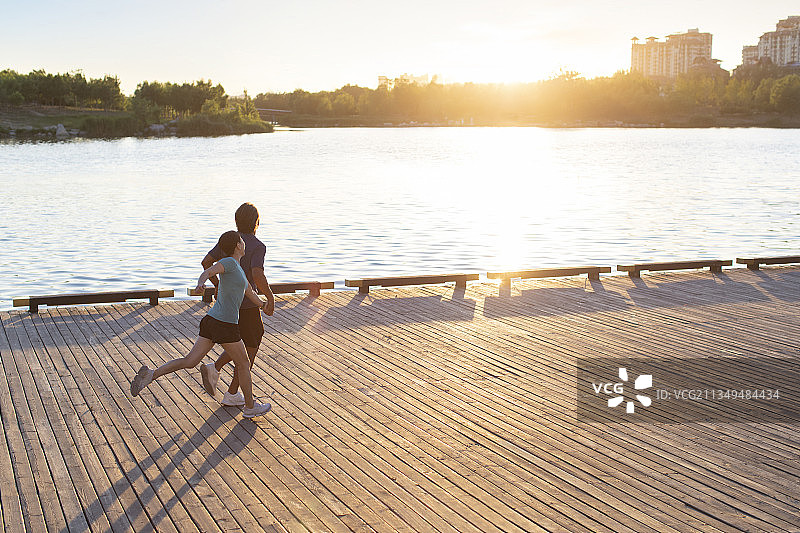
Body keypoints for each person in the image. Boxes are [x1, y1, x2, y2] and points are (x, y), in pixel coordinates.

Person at [130, 230, 272, 419]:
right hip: (225, 325)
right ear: (238, 245)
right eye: (241, 241)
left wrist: (264, 305)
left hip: (212, 321)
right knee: (244, 363)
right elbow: (209, 270)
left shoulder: (238, 270)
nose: (244, 243)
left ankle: (150, 374)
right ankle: (249, 406)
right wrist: (201, 284)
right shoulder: (229, 262)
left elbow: (250, 294)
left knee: (190, 361)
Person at [199, 203, 275, 407]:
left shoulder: (230, 241)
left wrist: (217, 285)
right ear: (257, 222)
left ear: (236, 221)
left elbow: (206, 263)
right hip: (248, 306)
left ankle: (218, 372)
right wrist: (269, 296)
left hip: (229, 306)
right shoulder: (257, 245)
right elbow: (257, 274)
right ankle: (231, 391)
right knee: (250, 348)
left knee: (241, 346)